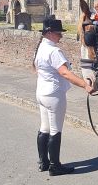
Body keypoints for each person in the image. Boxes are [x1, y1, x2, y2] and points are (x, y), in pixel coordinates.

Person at [33, 17, 94, 175]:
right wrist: (85, 85)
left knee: (44, 127)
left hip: (41, 92)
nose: (61, 35)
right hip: (53, 95)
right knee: (55, 130)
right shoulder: (54, 51)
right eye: (58, 33)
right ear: (50, 33)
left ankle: (43, 162)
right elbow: (65, 73)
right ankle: (55, 166)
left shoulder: (41, 47)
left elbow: (36, 68)